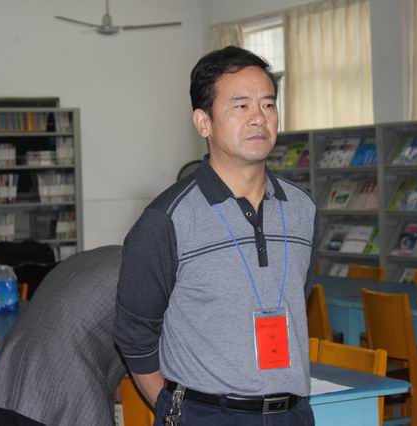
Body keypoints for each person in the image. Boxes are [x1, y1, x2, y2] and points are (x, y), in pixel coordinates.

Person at [115, 46, 318, 425]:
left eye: (268, 104)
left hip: (293, 414)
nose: (259, 117)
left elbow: (298, 294)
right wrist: (175, 407)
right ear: (203, 122)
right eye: (241, 106)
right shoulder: (166, 219)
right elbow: (134, 334)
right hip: (205, 414)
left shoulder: (302, 209)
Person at [0, 245, 128, 426]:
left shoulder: (94, 256)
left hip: (6, 381)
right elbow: (145, 358)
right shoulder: (140, 275)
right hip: (59, 395)